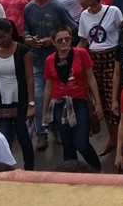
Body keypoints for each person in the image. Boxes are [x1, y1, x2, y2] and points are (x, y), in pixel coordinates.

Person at [22, 0, 76, 151]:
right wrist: (29, 40)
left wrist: (52, 40)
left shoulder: (57, 7)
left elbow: (72, 28)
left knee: (57, 97)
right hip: (38, 60)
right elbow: (25, 31)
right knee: (38, 98)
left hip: (57, 61)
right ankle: (41, 133)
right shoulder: (29, 8)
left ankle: (58, 129)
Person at [41, 25, 103, 171]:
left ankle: (97, 170)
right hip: (59, 104)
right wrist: (44, 112)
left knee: (81, 142)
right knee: (67, 145)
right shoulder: (50, 60)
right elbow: (48, 87)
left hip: (79, 101)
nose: (64, 42)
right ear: (53, 42)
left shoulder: (81, 53)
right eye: (59, 40)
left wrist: (97, 103)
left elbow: (91, 78)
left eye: (67, 39)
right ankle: (72, 175)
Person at [77, 0, 123, 156]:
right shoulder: (84, 15)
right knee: (101, 103)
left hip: (112, 59)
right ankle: (112, 139)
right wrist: (73, 57)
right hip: (93, 61)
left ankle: (121, 142)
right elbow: (83, 41)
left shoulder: (113, 11)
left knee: (114, 101)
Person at [0, 19, 35, 170]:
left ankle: (29, 168)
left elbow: (30, 79)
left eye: (3, 37)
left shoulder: (23, 51)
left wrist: (31, 104)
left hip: (21, 100)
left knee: (23, 136)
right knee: (4, 138)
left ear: (10, 32)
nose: (0, 41)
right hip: (0, 101)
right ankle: (5, 169)